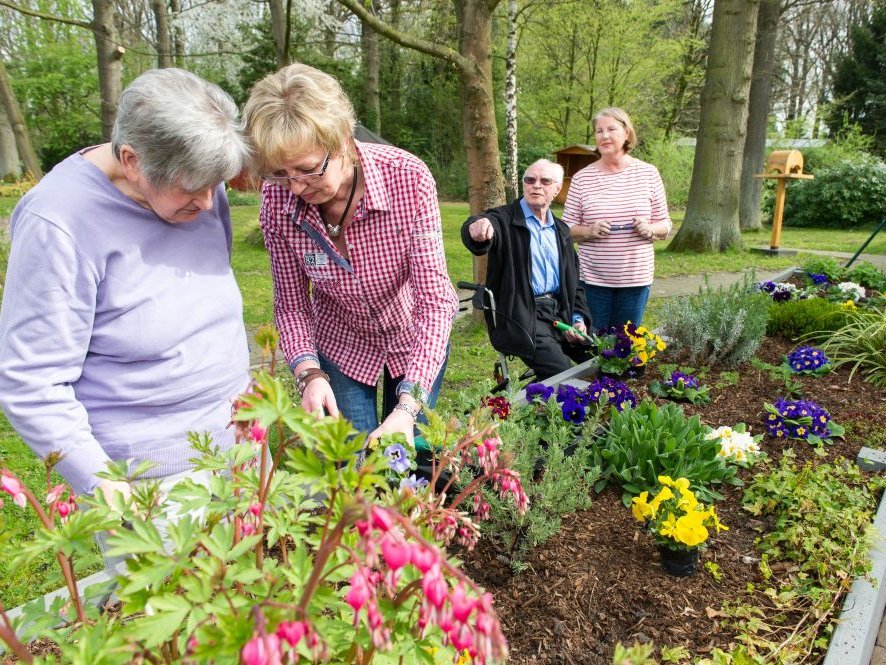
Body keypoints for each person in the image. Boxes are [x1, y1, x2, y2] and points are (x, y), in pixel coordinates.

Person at [0, 68, 252, 503]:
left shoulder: (200, 190)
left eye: (216, 185)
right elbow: (32, 382)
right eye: (192, 188)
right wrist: (108, 488)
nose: (210, 203)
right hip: (149, 480)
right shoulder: (58, 224)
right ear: (132, 161)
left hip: (241, 446)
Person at [243, 64, 457, 445]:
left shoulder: (408, 179)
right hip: (339, 343)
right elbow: (291, 305)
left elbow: (436, 303)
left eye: (309, 170)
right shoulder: (276, 200)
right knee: (349, 459)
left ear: (342, 139)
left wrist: (407, 408)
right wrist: (309, 373)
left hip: (413, 338)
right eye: (281, 172)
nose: (294, 188)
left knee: (401, 457)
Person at [461, 159, 591, 381]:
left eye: (545, 181)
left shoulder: (561, 230)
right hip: (521, 316)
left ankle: (535, 396)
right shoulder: (504, 219)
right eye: (530, 180)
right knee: (564, 374)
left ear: (557, 189)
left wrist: (578, 320)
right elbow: (481, 224)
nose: (536, 185)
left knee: (602, 358)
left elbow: (574, 284)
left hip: (560, 314)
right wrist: (475, 227)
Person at [562, 107, 672, 331]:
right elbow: (565, 229)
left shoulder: (648, 173)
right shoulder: (582, 178)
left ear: (627, 134)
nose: (604, 136)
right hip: (592, 280)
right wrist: (589, 230)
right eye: (599, 131)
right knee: (594, 345)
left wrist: (649, 229)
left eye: (611, 129)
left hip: (636, 278)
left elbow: (665, 225)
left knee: (627, 344)